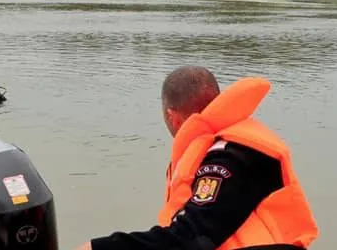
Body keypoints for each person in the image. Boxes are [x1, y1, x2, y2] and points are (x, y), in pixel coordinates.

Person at [75, 66, 318, 250]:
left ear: (173, 117)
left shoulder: (229, 159)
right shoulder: (238, 146)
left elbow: (193, 237)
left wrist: (99, 247)